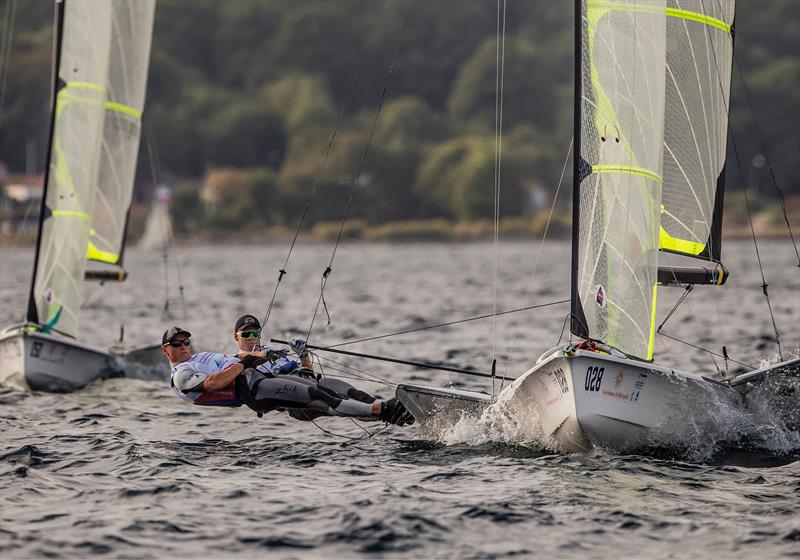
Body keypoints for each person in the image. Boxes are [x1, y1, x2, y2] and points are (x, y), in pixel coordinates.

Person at [162, 326, 413, 425]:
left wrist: (299, 356)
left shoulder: (200, 357)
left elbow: (235, 363)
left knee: (330, 389)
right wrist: (248, 361)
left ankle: (391, 412)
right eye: (176, 343)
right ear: (165, 351)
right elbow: (214, 383)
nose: (183, 345)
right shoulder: (181, 376)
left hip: (260, 380)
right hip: (253, 391)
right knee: (317, 396)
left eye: (185, 341)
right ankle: (385, 411)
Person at [231, 314, 378, 405]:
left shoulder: (272, 351)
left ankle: (386, 407)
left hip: (310, 382)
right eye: (246, 334)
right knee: (334, 398)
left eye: (255, 333)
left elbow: (309, 373)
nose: (251, 338)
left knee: (353, 392)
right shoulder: (237, 361)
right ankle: (374, 410)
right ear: (236, 337)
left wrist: (303, 355)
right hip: (295, 395)